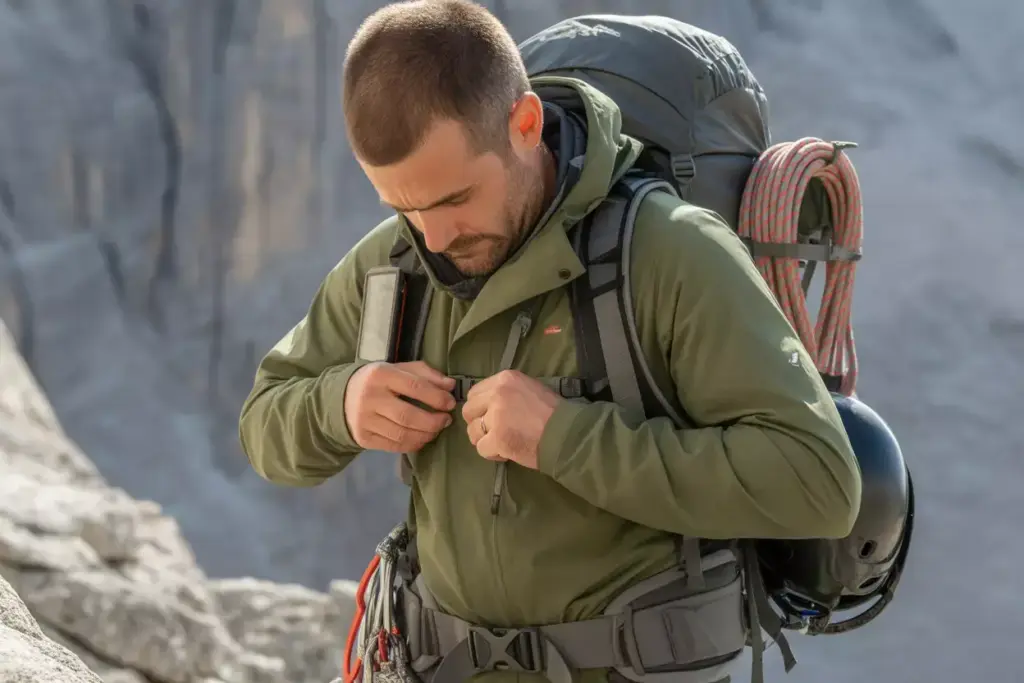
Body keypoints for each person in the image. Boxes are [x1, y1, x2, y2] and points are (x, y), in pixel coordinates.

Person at [238, 2, 863, 682]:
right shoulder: (395, 264)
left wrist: (564, 438)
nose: (435, 238)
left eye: (454, 199)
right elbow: (264, 425)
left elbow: (818, 480)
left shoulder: (669, 252)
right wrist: (342, 403)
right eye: (403, 208)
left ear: (525, 124)